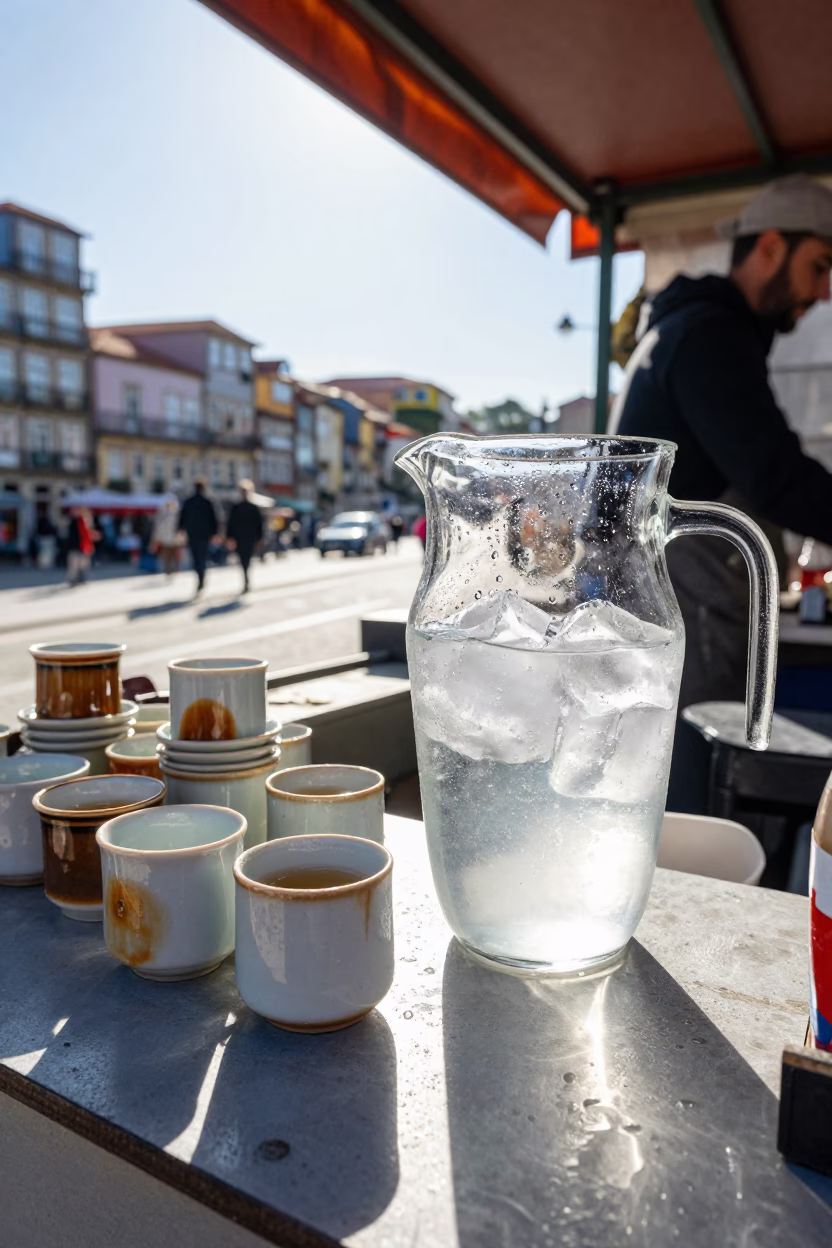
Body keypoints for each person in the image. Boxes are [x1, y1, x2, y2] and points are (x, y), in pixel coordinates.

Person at [612, 174, 832, 806]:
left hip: (661, 589)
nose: (822, 292)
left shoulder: (687, 327)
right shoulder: (710, 336)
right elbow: (774, 475)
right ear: (769, 247)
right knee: (694, 774)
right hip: (686, 593)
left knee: (666, 767)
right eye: (819, 266)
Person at [178, 479, 218, 594]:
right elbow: (213, 519)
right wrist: (214, 533)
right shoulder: (207, 502)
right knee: (202, 557)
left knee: (196, 558)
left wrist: (181, 530)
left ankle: (199, 577)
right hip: (204, 535)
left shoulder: (189, 502)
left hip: (193, 534)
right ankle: (201, 577)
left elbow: (182, 517)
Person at [225, 479, 263, 594]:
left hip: (249, 538)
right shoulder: (236, 507)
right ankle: (246, 578)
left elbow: (259, 524)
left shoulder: (253, 507)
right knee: (243, 559)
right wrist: (229, 537)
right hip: (240, 538)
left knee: (247, 559)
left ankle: (246, 578)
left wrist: (260, 538)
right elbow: (231, 523)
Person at [66, 507, 96, 586]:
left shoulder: (84, 522)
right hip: (75, 547)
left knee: (83, 564)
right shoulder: (73, 521)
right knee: (74, 565)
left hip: (82, 547)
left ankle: (81, 578)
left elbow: (87, 534)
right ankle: (73, 580)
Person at [151, 498, 180, 576]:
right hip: (168, 539)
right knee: (169, 556)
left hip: (172, 539)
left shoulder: (175, 516)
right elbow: (159, 528)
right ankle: (169, 569)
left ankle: (172, 569)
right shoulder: (164, 516)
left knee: (172, 556)